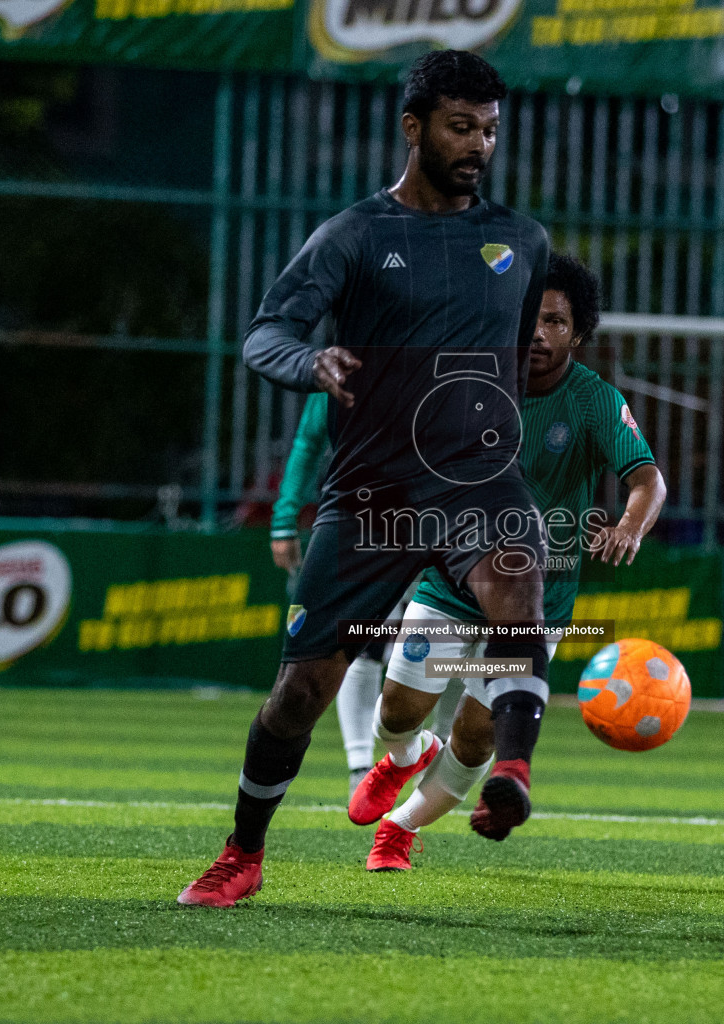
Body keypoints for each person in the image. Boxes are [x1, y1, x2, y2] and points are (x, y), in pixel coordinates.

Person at [178, 50, 552, 908]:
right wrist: (313, 362)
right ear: (413, 127)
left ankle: (516, 774)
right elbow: (264, 336)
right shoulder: (353, 236)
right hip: (372, 494)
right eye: (462, 127)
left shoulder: (522, 241)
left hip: (477, 486)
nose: (479, 146)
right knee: (300, 692)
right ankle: (244, 852)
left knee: (519, 591)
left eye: (490, 130)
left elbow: (520, 359)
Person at [355, 252, 666, 870]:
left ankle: (400, 829)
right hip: (452, 583)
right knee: (395, 713)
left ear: (578, 333)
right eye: (530, 319)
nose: (539, 335)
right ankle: (405, 754)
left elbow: (648, 479)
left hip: (536, 602)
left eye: (555, 322)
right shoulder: (473, 385)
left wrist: (630, 526)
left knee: (476, 737)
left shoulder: (594, 401)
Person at [270, 392, 461, 797]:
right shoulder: (341, 373)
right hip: (364, 526)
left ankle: (441, 746)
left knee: (452, 637)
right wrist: (284, 519)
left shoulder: (441, 366)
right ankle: (360, 764)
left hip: (439, 521)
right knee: (364, 641)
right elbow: (307, 443)